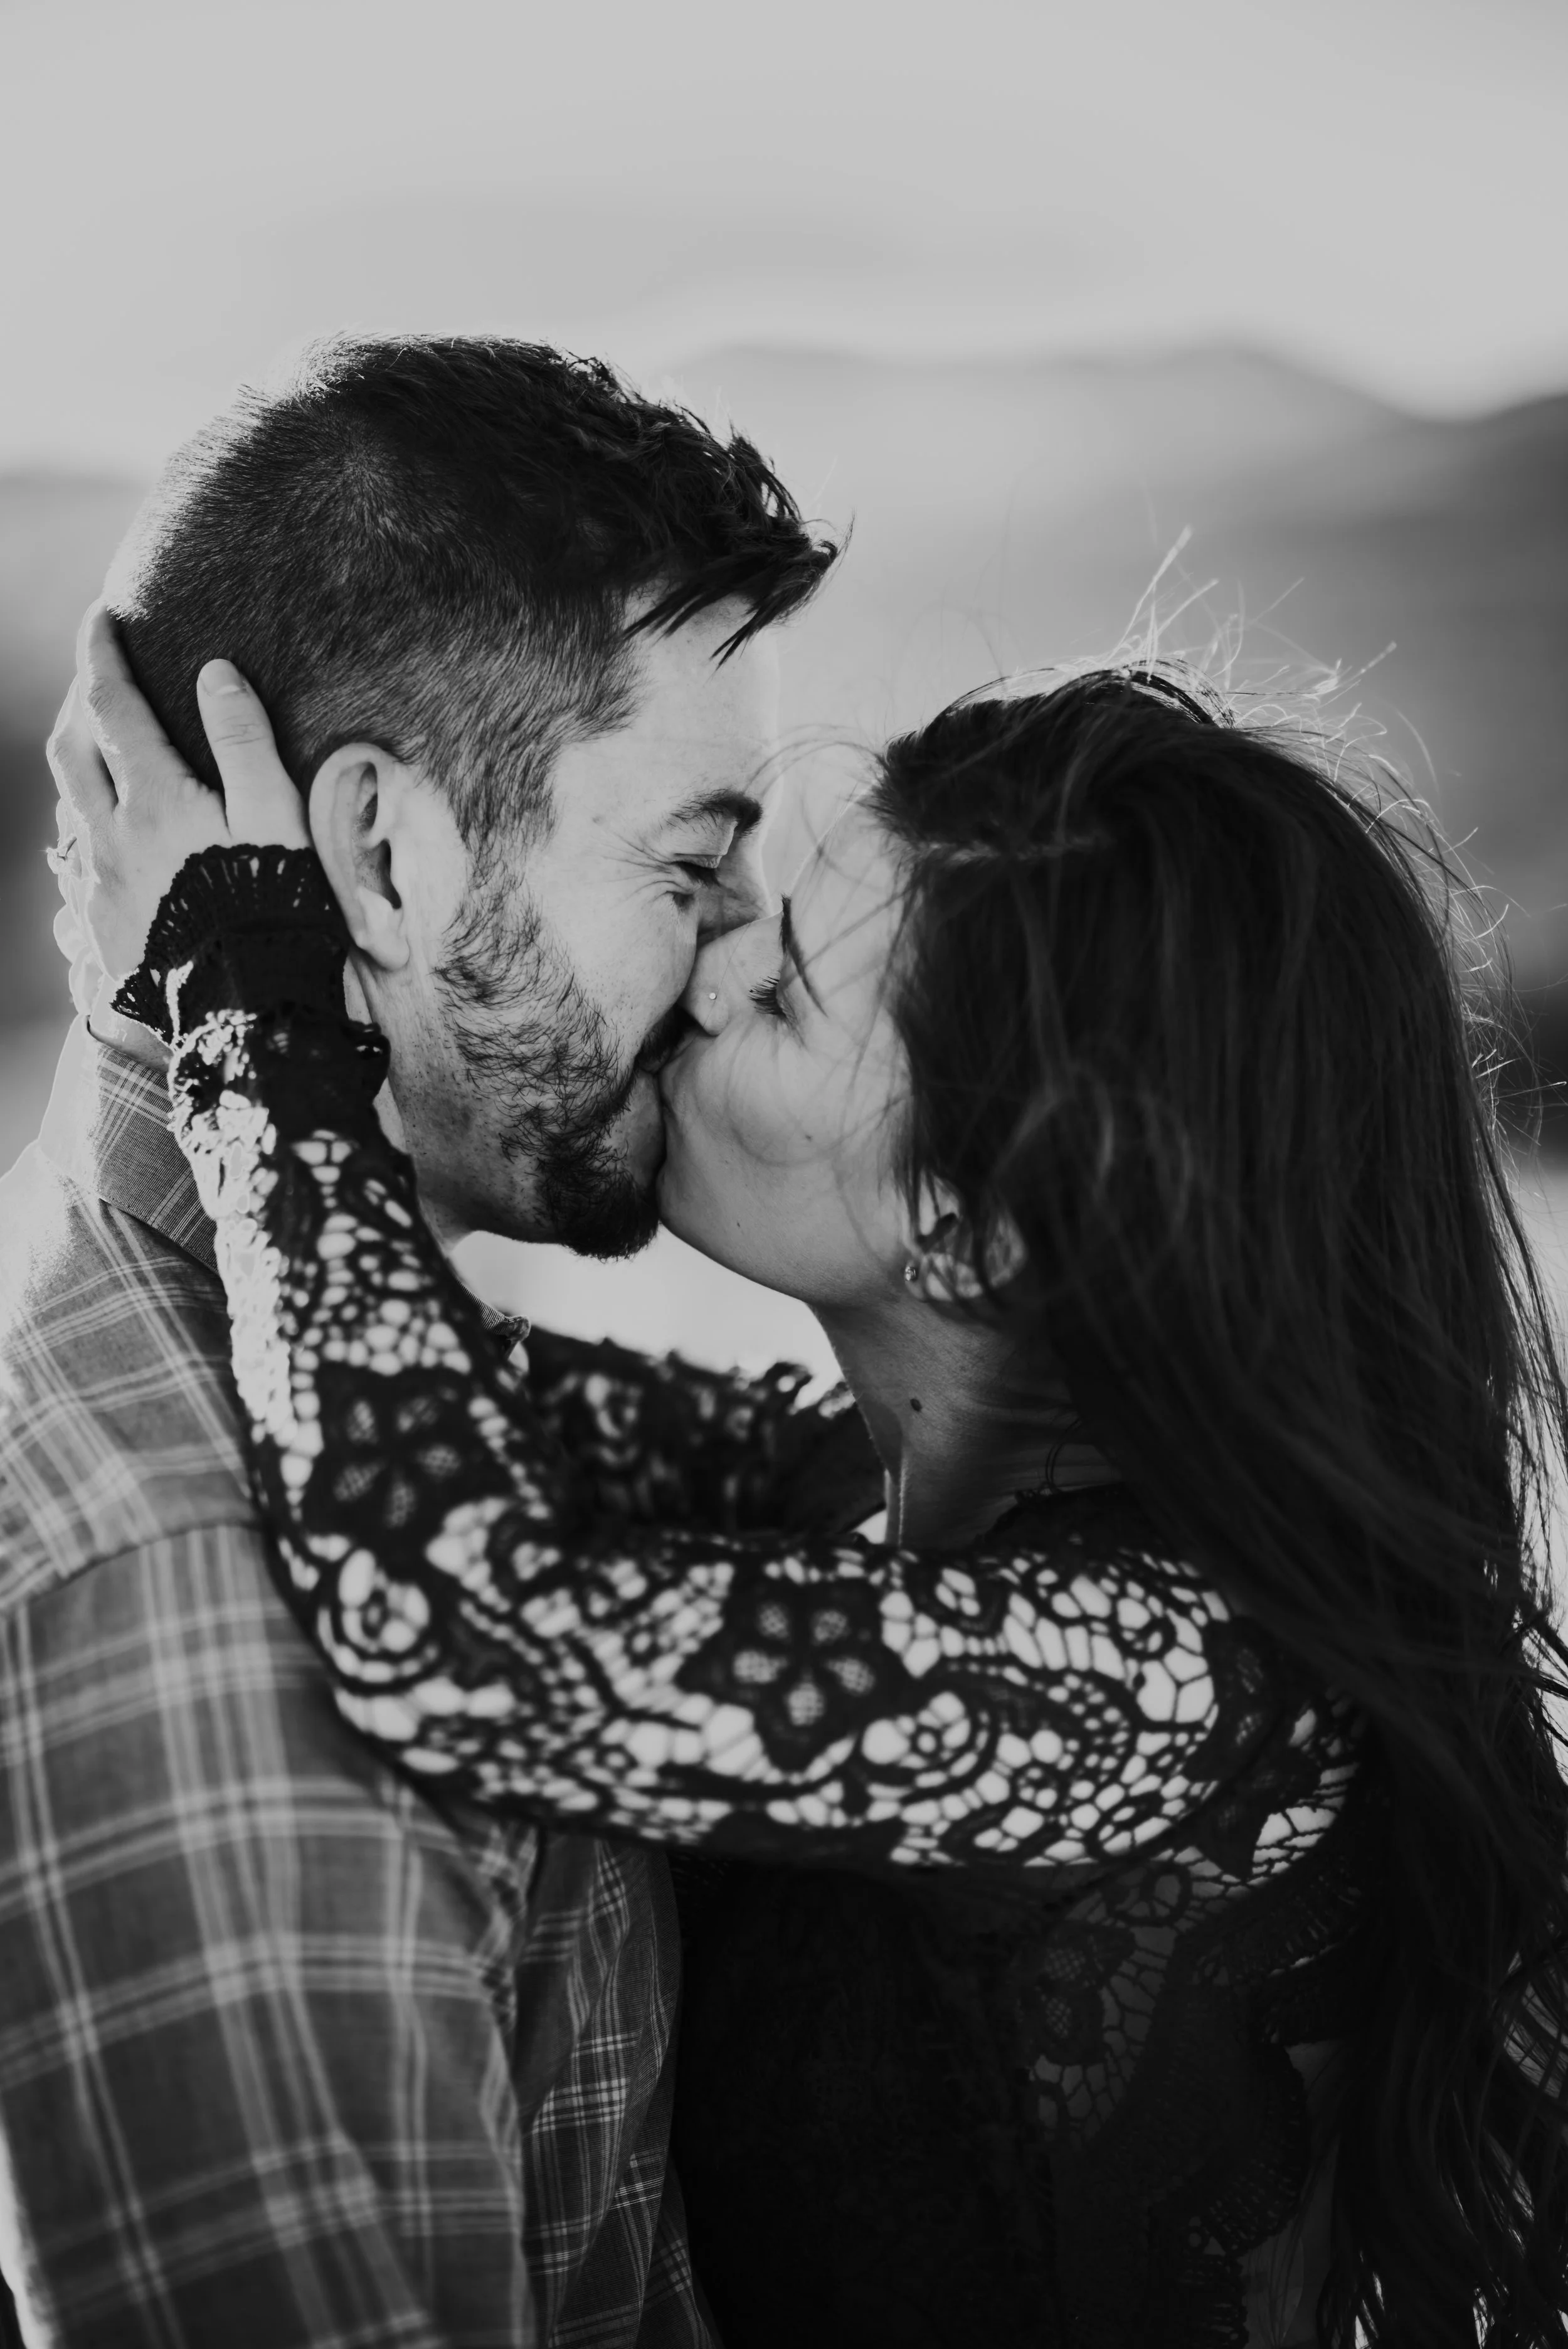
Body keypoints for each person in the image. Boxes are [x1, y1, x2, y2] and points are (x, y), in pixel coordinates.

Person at [60, 625, 1568, 2346]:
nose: (698, 972)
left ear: (981, 1219)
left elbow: (459, 1623)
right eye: (737, 906)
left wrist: (242, 980)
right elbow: (376, 1384)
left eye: (778, 993)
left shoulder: (1161, 1681)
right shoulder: (845, 1489)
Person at [0, 334, 847, 2348]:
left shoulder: (363, 1360)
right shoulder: (197, 1572)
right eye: (689, 866)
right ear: (385, 856)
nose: (743, 957)